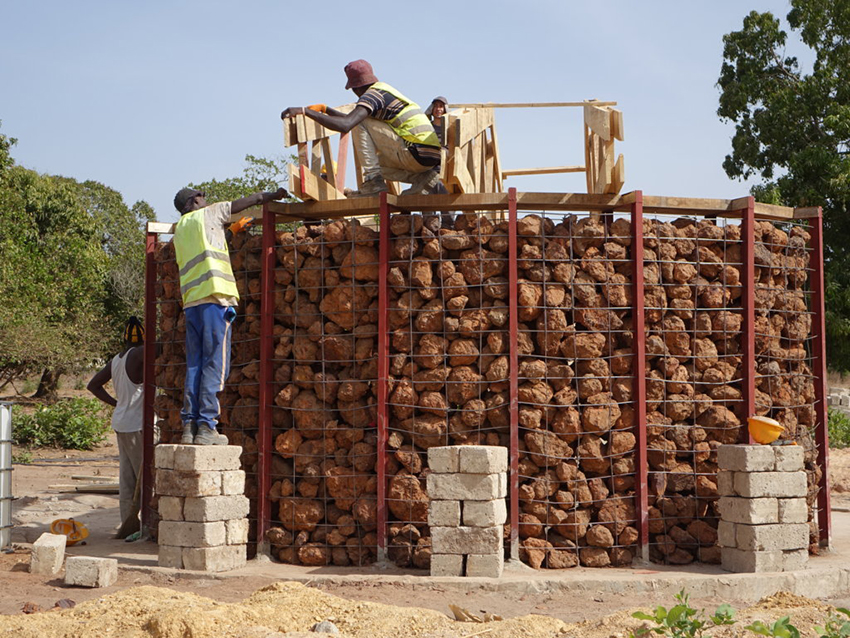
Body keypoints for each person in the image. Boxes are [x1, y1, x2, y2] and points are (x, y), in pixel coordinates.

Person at [172, 186, 288, 445]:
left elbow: (207, 245)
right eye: (202, 197)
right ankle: (207, 425)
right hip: (216, 298)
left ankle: (190, 426)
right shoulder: (210, 213)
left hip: (192, 304)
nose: (206, 199)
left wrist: (231, 232)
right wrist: (273, 195)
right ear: (195, 200)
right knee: (215, 364)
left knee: (195, 365)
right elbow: (249, 200)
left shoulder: (180, 228)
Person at [281, 60, 444, 197]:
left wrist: (306, 112)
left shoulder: (371, 96)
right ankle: (421, 178)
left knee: (359, 123)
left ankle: (373, 182)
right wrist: (326, 109)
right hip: (428, 158)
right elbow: (349, 119)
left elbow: (347, 124)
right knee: (377, 162)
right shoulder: (383, 91)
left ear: (355, 87)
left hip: (414, 152)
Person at [87, 317, 145, 530]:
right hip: (137, 425)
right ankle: (146, 523)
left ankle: (127, 522)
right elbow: (158, 349)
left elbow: (93, 385)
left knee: (127, 477)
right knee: (144, 477)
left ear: (124, 338)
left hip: (121, 423)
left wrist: (117, 403)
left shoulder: (116, 360)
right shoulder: (139, 354)